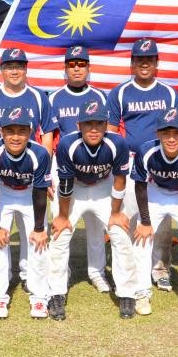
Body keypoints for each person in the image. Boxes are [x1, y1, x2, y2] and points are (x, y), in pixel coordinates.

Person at [0, 47, 56, 290]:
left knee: (32, 231)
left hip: (32, 175)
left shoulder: (39, 96)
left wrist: (44, 171)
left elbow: (47, 134)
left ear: (26, 68)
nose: (14, 70)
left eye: (19, 66)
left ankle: (30, 276)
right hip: (0, 175)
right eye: (9, 66)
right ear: (1, 70)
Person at [48, 98, 133, 320]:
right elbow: (65, 185)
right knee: (60, 235)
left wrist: (115, 213)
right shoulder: (68, 144)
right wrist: (63, 216)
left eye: (98, 124)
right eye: (88, 124)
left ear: (106, 125)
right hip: (74, 187)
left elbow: (120, 181)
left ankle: (126, 293)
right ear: (79, 125)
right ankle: (56, 292)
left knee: (120, 233)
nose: (93, 129)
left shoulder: (118, 143)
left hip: (103, 187)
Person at [106, 37, 178, 291]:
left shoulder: (169, 92)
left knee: (161, 220)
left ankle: (160, 269)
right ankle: (128, 270)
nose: (144, 64)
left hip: (162, 161)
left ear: (157, 63)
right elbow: (112, 133)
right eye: (139, 59)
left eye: (149, 59)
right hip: (130, 160)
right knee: (126, 217)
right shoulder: (120, 92)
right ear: (132, 63)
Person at [131, 108, 178, 316]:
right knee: (141, 238)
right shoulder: (146, 151)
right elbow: (140, 186)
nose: (171, 138)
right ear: (158, 134)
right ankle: (141, 291)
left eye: (177, 133)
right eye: (166, 133)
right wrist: (145, 222)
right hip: (155, 192)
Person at [48, 45, 113, 293]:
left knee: (96, 225)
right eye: (72, 64)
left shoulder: (100, 96)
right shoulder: (53, 98)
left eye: (81, 64)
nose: (77, 68)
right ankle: (60, 276)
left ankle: (96, 272)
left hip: (97, 168)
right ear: (65, 68)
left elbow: (110, 134)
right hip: (65, 168)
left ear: (88, 68)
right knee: (61, 223)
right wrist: (47, 174)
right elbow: (48, 137)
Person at [0, 110, 52, 319]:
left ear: (30, 132)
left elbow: (40, 194)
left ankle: (39, 296)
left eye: (22, 131)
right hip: (3, 191)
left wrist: (39, 229)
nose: (16, 136)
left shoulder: (39, 153)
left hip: (29, 192)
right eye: (10, 131)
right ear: (0, 131)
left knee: (38, 242)